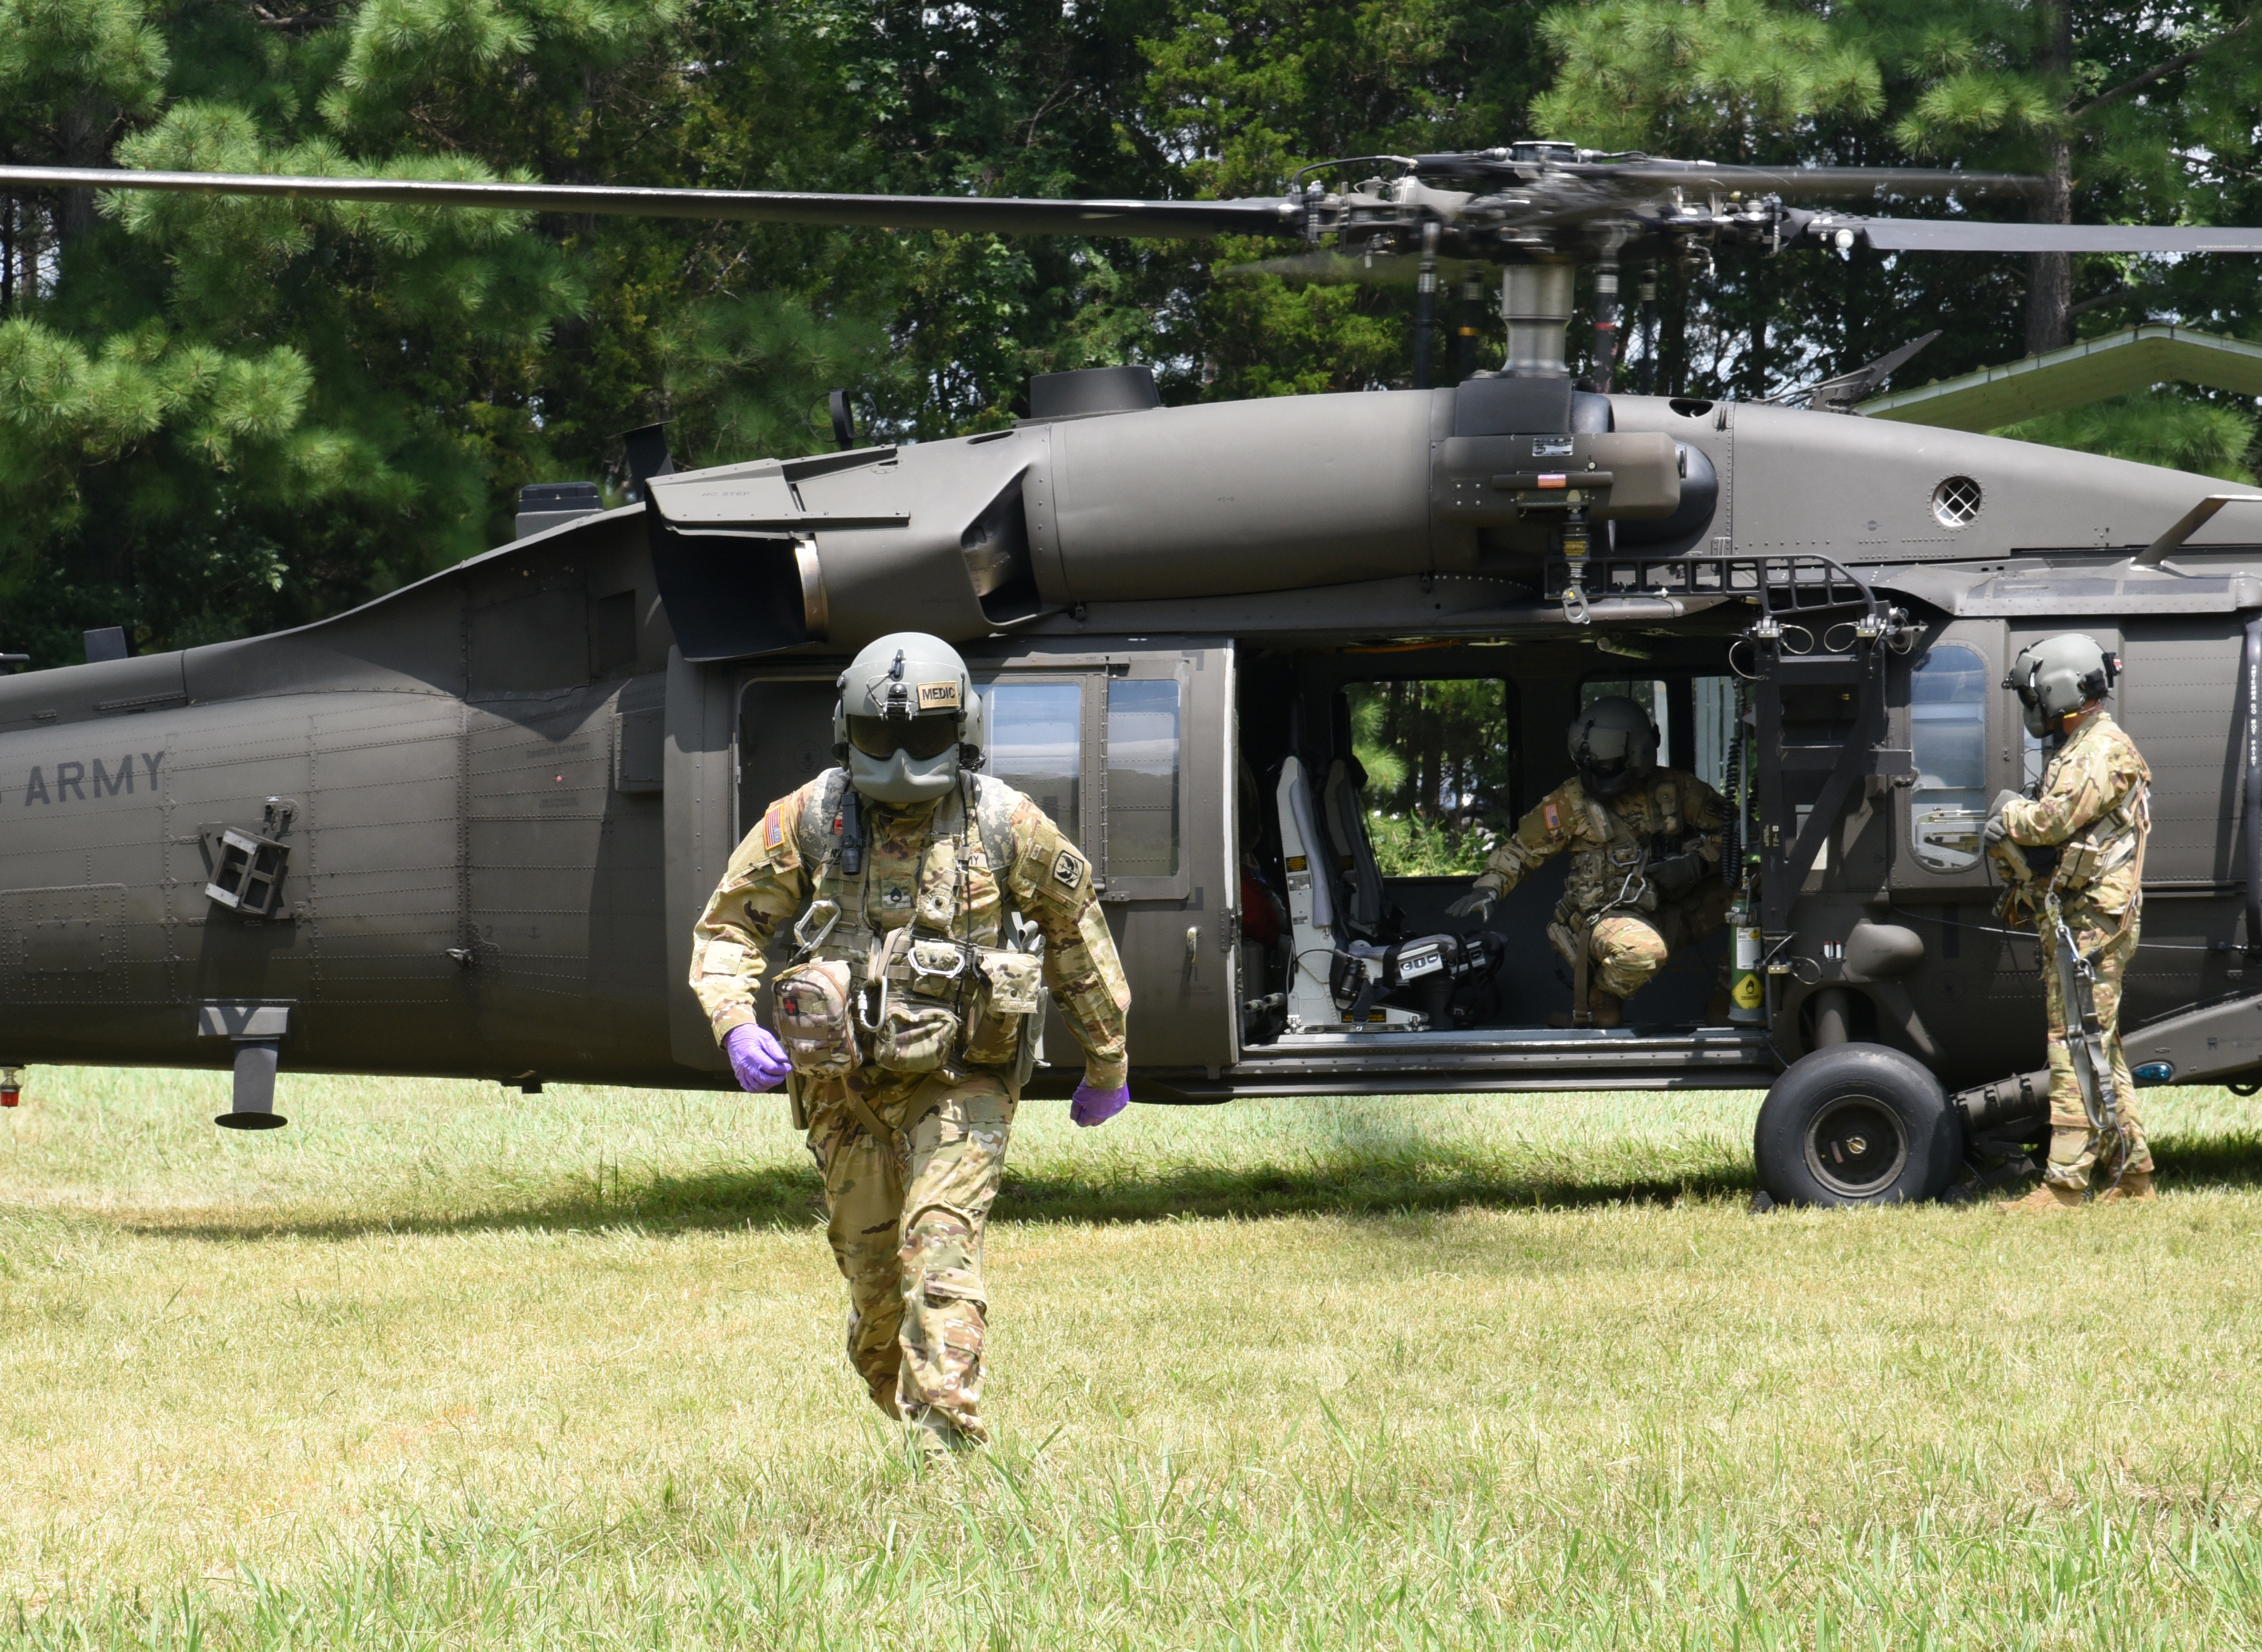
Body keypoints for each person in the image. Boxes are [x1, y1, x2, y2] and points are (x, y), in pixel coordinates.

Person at [690, 632, 1132, 1452]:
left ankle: (947, 1454)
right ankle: (906, 1407)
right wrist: (736, 1020)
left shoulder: (1004, 823)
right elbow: (727, 930)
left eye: (922, 741)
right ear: (846, 730)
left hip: (964, 1078)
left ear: (961, 732)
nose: (898, 760)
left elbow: (1075, 935)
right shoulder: (809, 819)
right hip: (845, 1088)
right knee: (874, 1288)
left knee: (938, 1254)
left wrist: (1107, 1059)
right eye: (879, 738)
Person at [1985, 634, 2154, 1209]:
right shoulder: (2085, 744)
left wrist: (2008, 814)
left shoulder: (2098, 750)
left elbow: (2051, 821)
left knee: (2072, 1046)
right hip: (2086, 918)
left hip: (2091, 925)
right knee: (2097, 1048)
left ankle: (2064, 1186)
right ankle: (2133, 1179)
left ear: (2057, 688)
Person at [1446, 695, 1729, 1027]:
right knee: (1642, 952)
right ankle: (1602, 998)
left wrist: (1697, 864)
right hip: (1607, 918)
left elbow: (1737, 834)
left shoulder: (1679, 791)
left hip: (1673, 910)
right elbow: (1522, 849)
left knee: (1760, 889)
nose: (1595, 778)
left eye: (1607, 767)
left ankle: (1731, 999)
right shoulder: (1570, 801)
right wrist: (1488, 889)